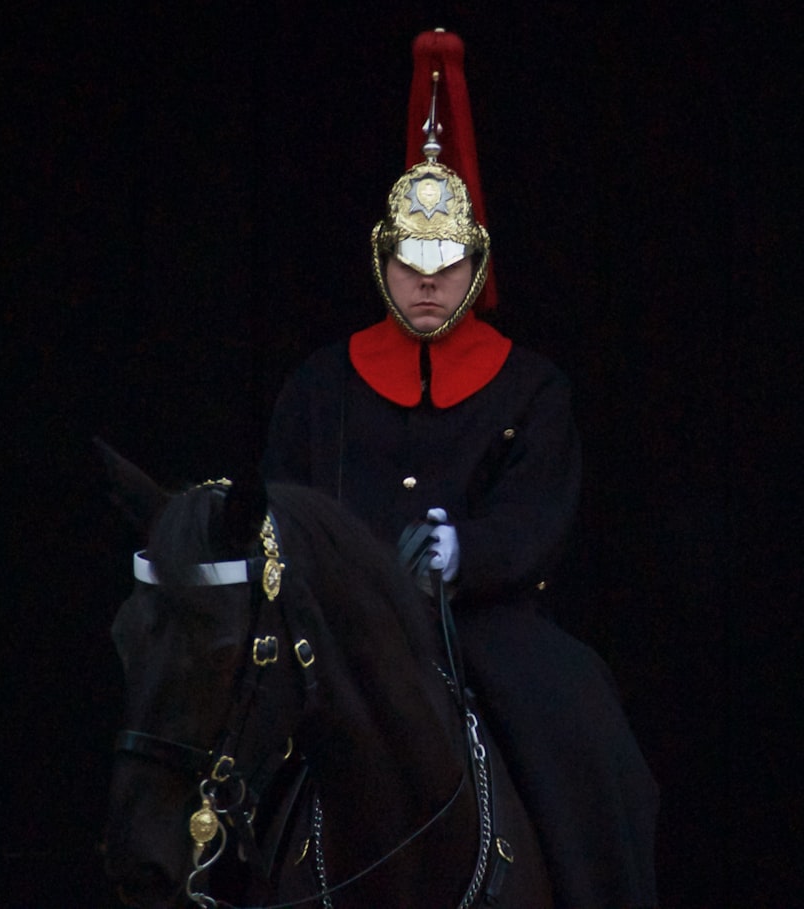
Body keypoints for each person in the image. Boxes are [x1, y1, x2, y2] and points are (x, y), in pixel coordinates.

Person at [261, 29, 659, 908]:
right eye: (411, 262)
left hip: (480, 619)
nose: (428, 284)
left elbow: (539, 515)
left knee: (585, 730)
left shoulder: (530, 385)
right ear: (382, 259)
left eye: (448, 264)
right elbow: (281, 506)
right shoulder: (320, 386)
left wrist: (462, 554)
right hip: (340, 628)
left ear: (476, 261)